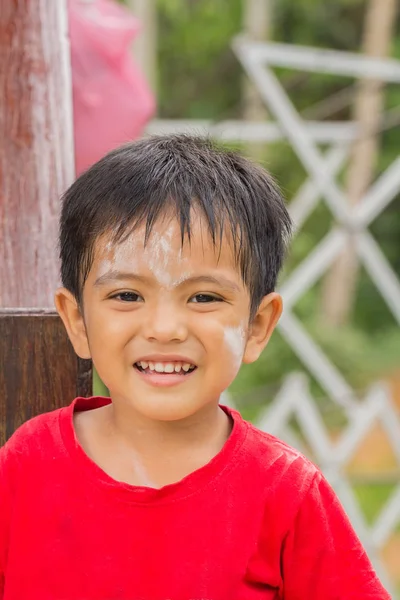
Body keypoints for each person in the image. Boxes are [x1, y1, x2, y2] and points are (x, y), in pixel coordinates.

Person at [0, 135, 390, 599]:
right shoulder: (27, 466)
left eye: (203, 297)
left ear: (257, 326)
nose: (165, 329)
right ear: (78, 320)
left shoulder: (285, 492)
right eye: (127, 295)